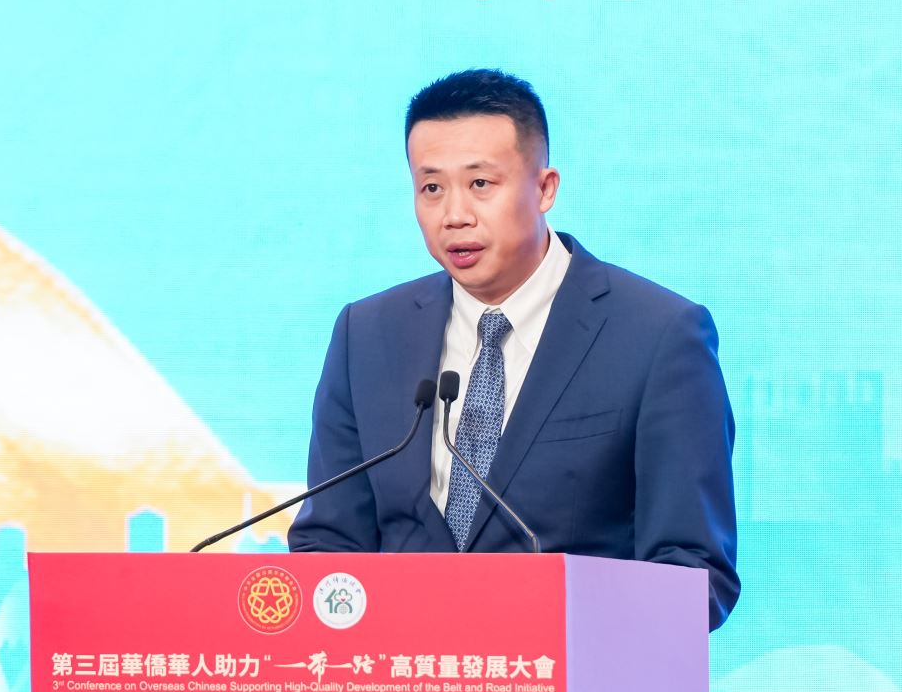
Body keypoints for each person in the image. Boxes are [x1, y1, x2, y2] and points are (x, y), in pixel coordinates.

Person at [287, 68, 739, 630]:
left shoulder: (659, 335)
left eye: (481, 184)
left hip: (571, 680)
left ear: (545, 188)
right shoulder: (367, 335)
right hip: (403, 679)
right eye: (432, 188)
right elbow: (329, 545)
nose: (455, 215)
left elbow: (694, 573)